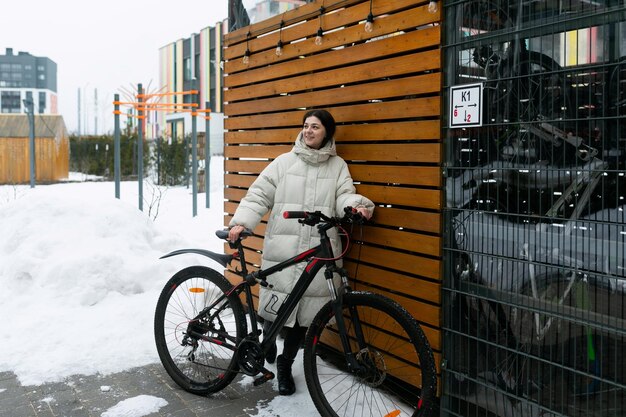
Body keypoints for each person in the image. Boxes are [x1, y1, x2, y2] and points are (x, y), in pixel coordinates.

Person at [228, 109, 374, 395]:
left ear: (327, 133)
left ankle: (285, 364)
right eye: (306, 126)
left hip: (318, 251)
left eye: (315, 127)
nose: (308, 131)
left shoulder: (338, 166)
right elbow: (259, 193)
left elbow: (344, 194)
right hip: (283, 250)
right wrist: (242, 223)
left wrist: (357, 205)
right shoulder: (283, 163)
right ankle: (266, 344)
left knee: (302, 319)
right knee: (276, 306)